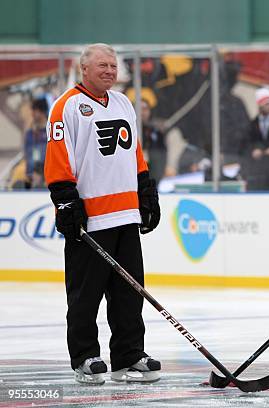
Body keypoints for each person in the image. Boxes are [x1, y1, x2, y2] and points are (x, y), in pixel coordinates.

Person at [44, 43, 161, 385]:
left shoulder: (123, 102)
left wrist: (146, 192)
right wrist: (65, 200)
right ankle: (84, 356)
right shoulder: (66, 106)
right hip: (91, 219)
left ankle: (129, 355)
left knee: (129, 291)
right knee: (86, 292)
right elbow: (58, 159)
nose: (110, 71)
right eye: (102, 65)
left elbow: (134, 154)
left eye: (113, 65)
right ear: (84, 69)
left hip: (125, 215)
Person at [140, 98, 167, 185]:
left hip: (156, 165)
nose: (142, 112)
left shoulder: (156, 127)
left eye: (145, 109)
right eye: (139, 109)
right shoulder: (131, 127)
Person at [24, 98, 49, 188]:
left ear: (42, 111)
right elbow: (27, 155)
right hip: (31, 179)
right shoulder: (30, 134)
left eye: (35, 110)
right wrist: (28, 173)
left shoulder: (51, 132)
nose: (32, 114)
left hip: (47, 179)